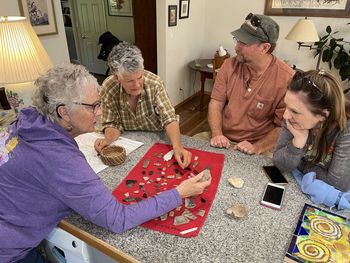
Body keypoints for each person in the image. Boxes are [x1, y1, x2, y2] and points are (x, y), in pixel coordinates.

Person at [0, 64, 211, 263]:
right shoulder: (59, 160)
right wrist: (179, 193)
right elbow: (117, 219)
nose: (99, 112)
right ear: (63, 112)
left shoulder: (28, 119)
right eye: (93, 106)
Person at [203, 13, 294, 155]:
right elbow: (216, 103)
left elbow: (283, 127)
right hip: (223, 137)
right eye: (237, 40)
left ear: (264, 48)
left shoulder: (286, 78)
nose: (236, 47)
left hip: (259, 145)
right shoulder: (228, 65)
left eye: (244, 43)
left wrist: (257, 147)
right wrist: (216, 133)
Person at [94, 42, 191, 168]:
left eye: (140, 77)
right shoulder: (108, 87)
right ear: (117, 78)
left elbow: (169, 118)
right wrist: (108, 140)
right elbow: (112, 124)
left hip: (156, 141)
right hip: (127, 143)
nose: (137, 85)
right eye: (130, 81)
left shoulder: (155, 83)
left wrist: (177, 146)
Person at [273, 70, 350, 192]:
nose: (285, 115)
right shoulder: (293, 119)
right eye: (286, 106)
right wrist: (298, 143)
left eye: (295, 111)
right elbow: (279, 163)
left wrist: (302, 165)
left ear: (323, 115)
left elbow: (338, 185)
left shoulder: (346, 129)